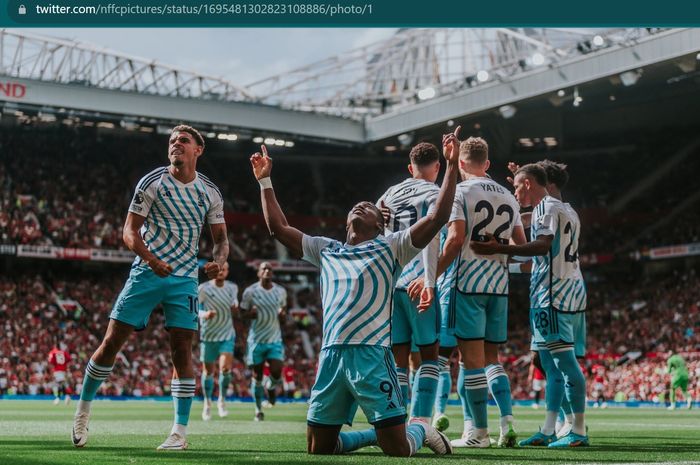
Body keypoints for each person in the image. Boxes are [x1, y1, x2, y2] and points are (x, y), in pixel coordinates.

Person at [249, 126, 460, 456]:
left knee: (399, 450)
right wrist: (265, 181)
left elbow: (438, 217)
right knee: (319, 449)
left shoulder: (392, 247)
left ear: (380, 225)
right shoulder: (325, 248)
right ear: (346, 220)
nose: (362, 205)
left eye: (370, 207)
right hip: (331, 357)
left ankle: (422, 429)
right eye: (357, 205)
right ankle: (373, 435)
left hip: (372, 355)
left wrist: (451, 165)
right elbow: (278, 228)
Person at [71, 125, 229, 451]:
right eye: (172, 141)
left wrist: (219, 261)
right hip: (145, 273)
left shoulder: (210, 192)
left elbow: (221, 240)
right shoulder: (152, 182)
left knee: (182, 351)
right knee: (112, 341)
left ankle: (178, 433)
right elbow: (129, 232)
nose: (176, 145)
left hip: (185, 279)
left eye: (183, 141)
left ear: (198, 149)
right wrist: (151, 258)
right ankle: (82, 412)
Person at [471, 163, 589, 448]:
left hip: (554, 295)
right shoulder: (566, 208)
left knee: (562, 362)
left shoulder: (547, 207)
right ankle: (549, 428)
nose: (514, 191)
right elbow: (541, 250)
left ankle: (579, 430)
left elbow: (541, 246)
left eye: (516, 186)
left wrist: (499, 248)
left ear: (527, 184)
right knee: (546, 362)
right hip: (567, 290)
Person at [425, 137, 526, 448]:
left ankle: (478, 434)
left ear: (461, 163)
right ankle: (497, 424)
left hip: (465, 284)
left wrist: (431, 276)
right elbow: (521, 248)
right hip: (498, 287)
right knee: (489, 359)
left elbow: (455, 240)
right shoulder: (509, 198)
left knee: (470, 362)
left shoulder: (458, 192)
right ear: (487, 163)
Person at [376, 142, 442, 424]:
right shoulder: (435, 191)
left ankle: (397, 422)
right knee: (429, 356)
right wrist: (429, 280)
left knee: (398, 358)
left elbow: (372, 227)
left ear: (409, 168)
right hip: (418, 282)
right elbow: (433, 234)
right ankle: (423, 423)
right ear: (437, 167)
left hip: (392, 284)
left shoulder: (389, 194)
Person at [240, 261, 288, 421]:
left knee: (276, 371)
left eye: (270, 269)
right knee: (257, 375)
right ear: (258, 273)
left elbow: (284, 313)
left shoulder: (281, 291)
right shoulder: (250, 291)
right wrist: (249, 315)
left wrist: (283, 316)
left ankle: (271, 386)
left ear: (272, 273)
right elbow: (241, 314)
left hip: (274, 339)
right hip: (256, 340)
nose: (267, 271)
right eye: (264, 269)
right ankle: (258, 410)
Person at [198, 261, 239, 420]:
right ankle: (207, 402)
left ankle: (221, 400)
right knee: (208, 371)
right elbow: (194, 308)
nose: (221, 271)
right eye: (219, 268)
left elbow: (234, 302)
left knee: (225, 368)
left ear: (227, 271)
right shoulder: (203, 288)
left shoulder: (232, 287)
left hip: (227, 334)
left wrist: (235, 307)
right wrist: (204, 314)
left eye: (224, 269)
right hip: (208, 336)